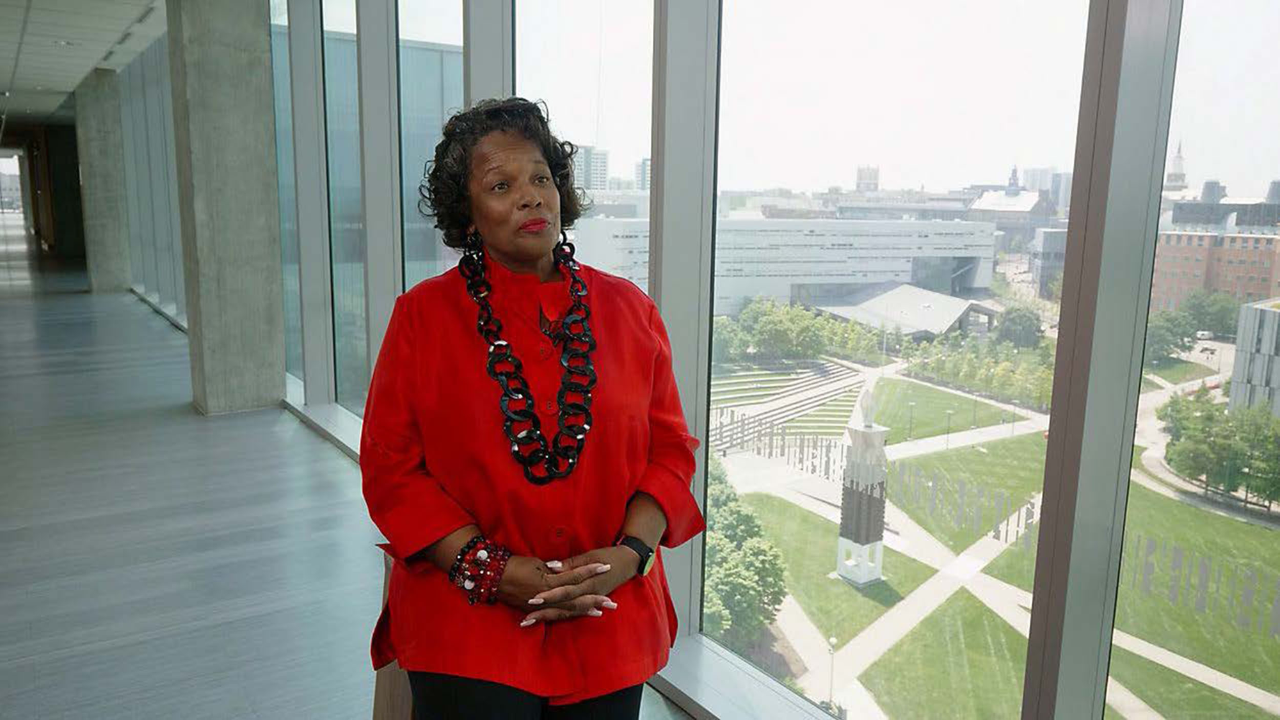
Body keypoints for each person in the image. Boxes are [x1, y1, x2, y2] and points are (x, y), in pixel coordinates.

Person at [360, 97, 705, 719]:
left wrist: (627, 557)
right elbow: (392, 470)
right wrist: (489, 569)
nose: (530, 196)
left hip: (609, 616)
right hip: (468, 623)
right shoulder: (421, 318)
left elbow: (671, 452)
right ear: (468, 216)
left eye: (541, 178)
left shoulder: (632, 311)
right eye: (501, 184)